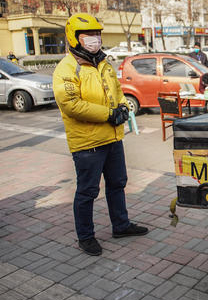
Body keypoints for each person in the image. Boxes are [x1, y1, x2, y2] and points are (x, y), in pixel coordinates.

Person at [53, 13, 148, 256]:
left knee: (117, 184)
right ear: (74, 38)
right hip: (88, 144)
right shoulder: (66, 68)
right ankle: (85, 236)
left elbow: (118, 93)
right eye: (89, 35)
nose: (95, 38)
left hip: (113, 139)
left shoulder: (104, 63)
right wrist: (108, 114)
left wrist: (124, 110)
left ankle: (121, 225)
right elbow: (71, 105)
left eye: (97, 33)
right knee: (87, 192)